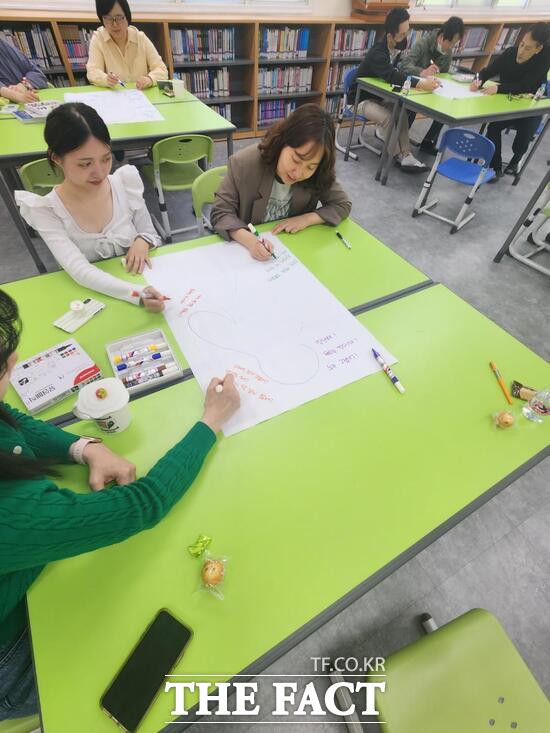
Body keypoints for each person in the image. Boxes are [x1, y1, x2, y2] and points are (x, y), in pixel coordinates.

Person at [0, 288, 239, 721]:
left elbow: (11, 426)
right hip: (10, 659)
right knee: (136, 623)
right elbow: (143, 503)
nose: (14, 364)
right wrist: (211, 421)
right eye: (6, 364)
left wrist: (84, 447)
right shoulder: (13, 511)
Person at [15, 103, 168, 310]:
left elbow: (150, 234)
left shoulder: (124, 183)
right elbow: (79, 271)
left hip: (144, 283)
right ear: (57, 159)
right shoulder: (46, 210)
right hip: (93, 302)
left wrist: (142, 240)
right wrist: (136, 294)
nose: (99, 172)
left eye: (105, 159)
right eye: (85, 164)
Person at [210, 103, 351, 261]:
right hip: (245, 256)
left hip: (294, 253)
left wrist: (307, 219)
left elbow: (342, 204)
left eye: (311, 167)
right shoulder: (244, 164)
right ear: (283, 141)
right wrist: (251, 242)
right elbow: (220, 213)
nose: (298, 173)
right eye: (296, 159)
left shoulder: (318, 171)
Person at [353, 8, 440, 173]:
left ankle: (407, 154)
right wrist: (421, 84)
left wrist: (421, 78)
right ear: (390, 35)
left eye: (406, 33)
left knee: (400, 112)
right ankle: (398, 156)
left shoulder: (394, 47)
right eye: (401, 35)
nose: (404, 38)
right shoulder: (378, 53)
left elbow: (398, 74)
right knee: (387, 118)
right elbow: (393, 76)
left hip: (378, 97)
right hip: (360, 100)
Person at [470, 22, 550, 179]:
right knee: (493, 127)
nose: (521, 51)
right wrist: (478, 80)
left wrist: (499, 88)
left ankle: (516, 160)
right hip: (506, 105)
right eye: (521, 44)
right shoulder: (510, 53)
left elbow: (525, 86)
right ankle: (495, 167)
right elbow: (487, 71)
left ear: (538, 49)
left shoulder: (542, 61)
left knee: (523, 138)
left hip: (530, 107)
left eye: (528, 48)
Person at [400, 16, 465, 155]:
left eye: (455, 44)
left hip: (432, 89)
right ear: (442, 37)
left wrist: (441, 78)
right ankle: (400, 142)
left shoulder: (447, 52)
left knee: (445, 108)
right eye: (451, 43)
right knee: (410, 109)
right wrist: (423, 72)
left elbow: (445, 74)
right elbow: (404, 65)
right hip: (415, 87)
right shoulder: (423, 44)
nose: (451, 47)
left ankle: (429, 142)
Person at [86, 0, 168, 89]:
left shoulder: (140, 38)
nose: (114, 24)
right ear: (102, 19)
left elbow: (161, 69)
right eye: (108, 18)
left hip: (141, 95)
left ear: (127, 17)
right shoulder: (98, 38)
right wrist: (105, 79)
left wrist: (149, 79)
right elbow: (92, 71)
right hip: (114, 96)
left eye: (119, 17)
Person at [0, 37, 47, 105]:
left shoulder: (4, 46)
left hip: (26, 100)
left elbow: (37, 73)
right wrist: (11, 94)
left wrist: (24, 85)